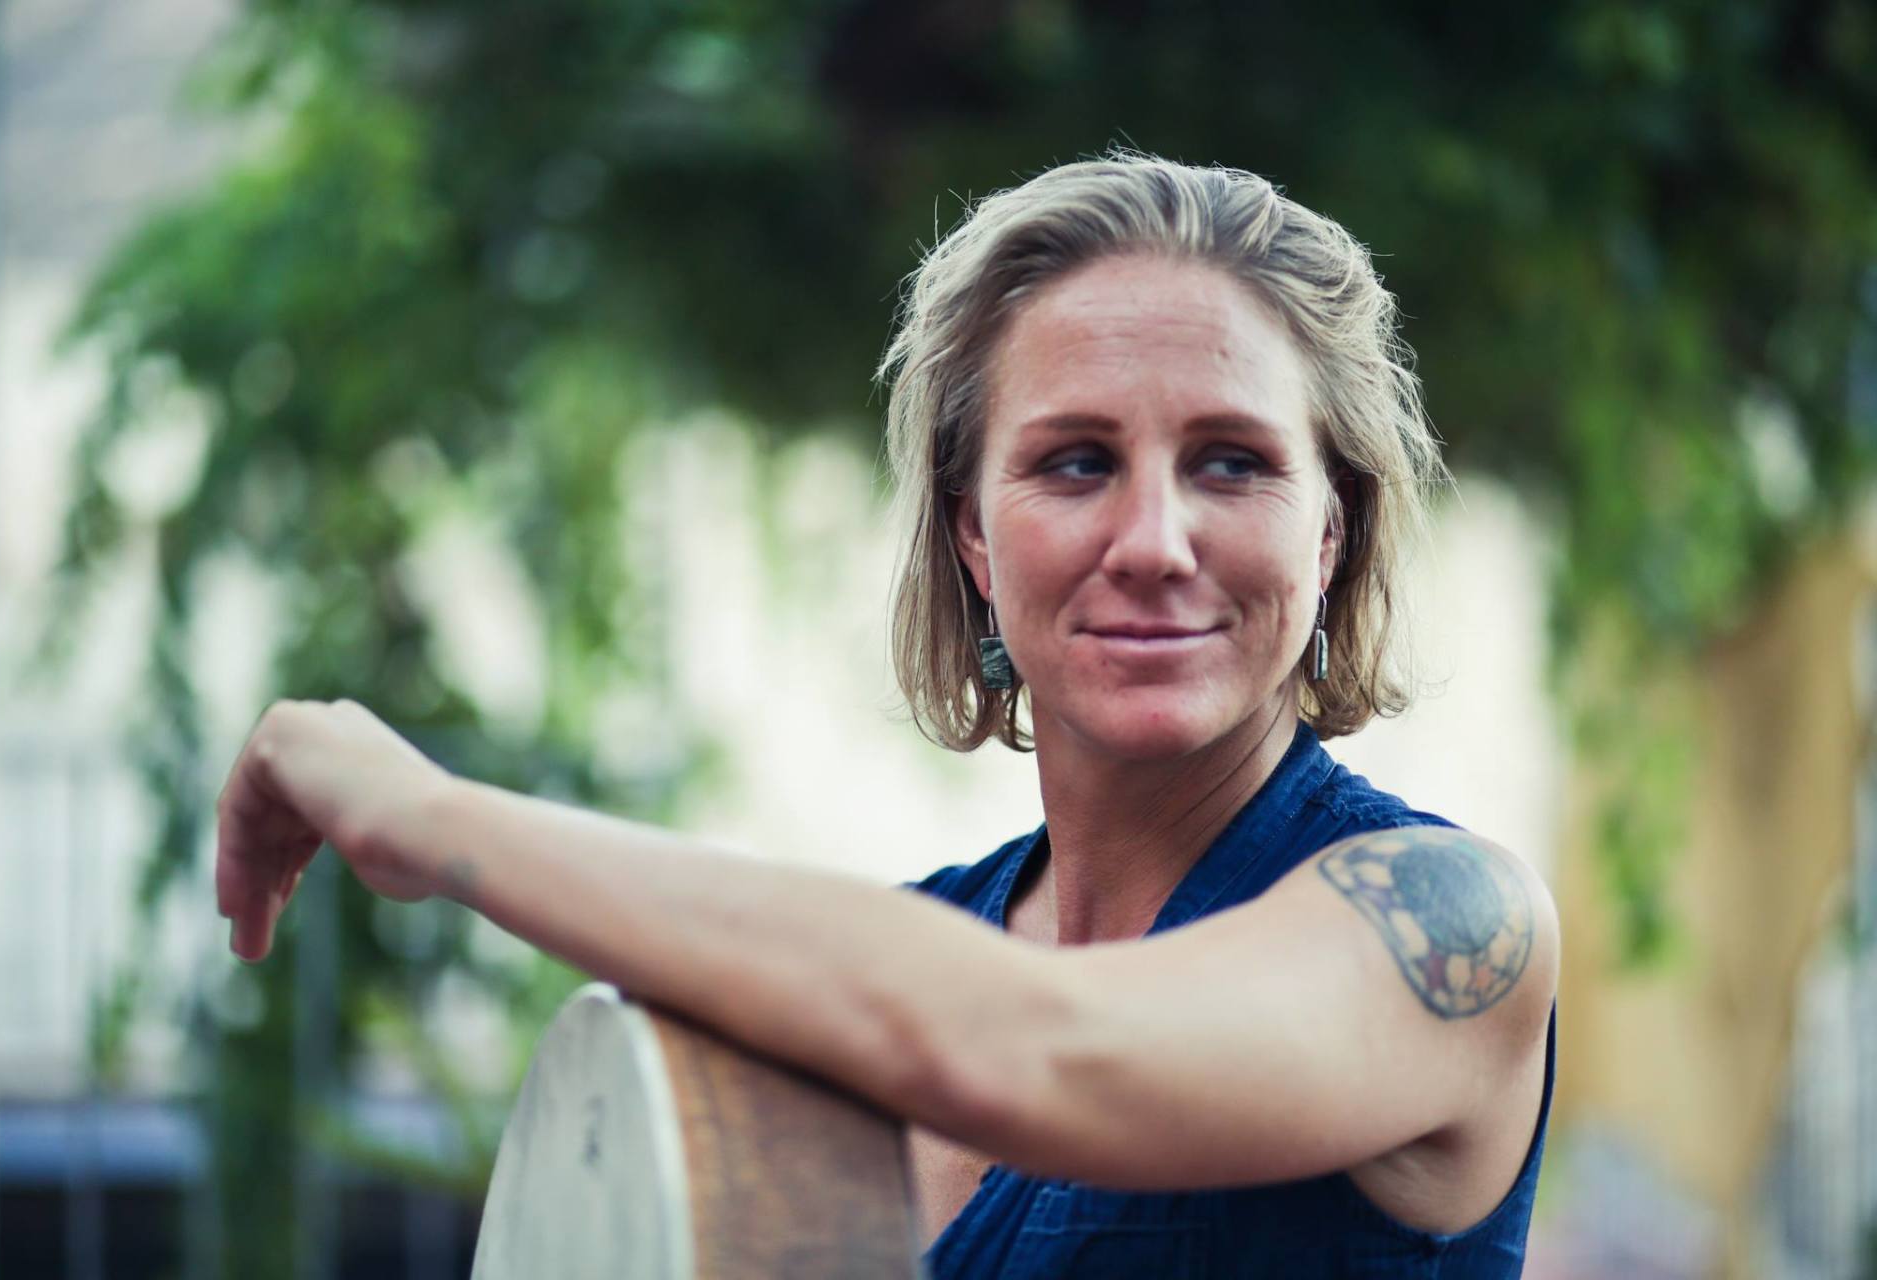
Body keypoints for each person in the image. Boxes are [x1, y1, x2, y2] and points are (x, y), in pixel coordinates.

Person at [214, 150, 1558, 1279]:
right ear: (974, 536)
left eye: (1232, 462)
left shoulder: (1451, 926)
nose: (1154, 541)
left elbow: (1044, 1049)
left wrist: (429, 821)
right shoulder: (894, 975)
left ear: (1330, 533)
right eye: (1075, 462)